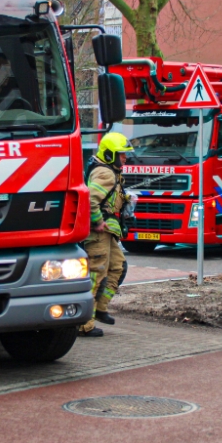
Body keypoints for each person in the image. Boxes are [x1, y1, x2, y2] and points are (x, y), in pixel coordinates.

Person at [79, 132, 133, 337]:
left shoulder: (110, 170)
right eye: (121, 154)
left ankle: (100, 308)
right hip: (99, 232)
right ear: (110, 154)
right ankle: (84, 324)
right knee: (95, 274)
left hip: (108, 232)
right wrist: (98, 221)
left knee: (117, 266)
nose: (125, 158)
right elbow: (91, 200)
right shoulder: (106, 173)